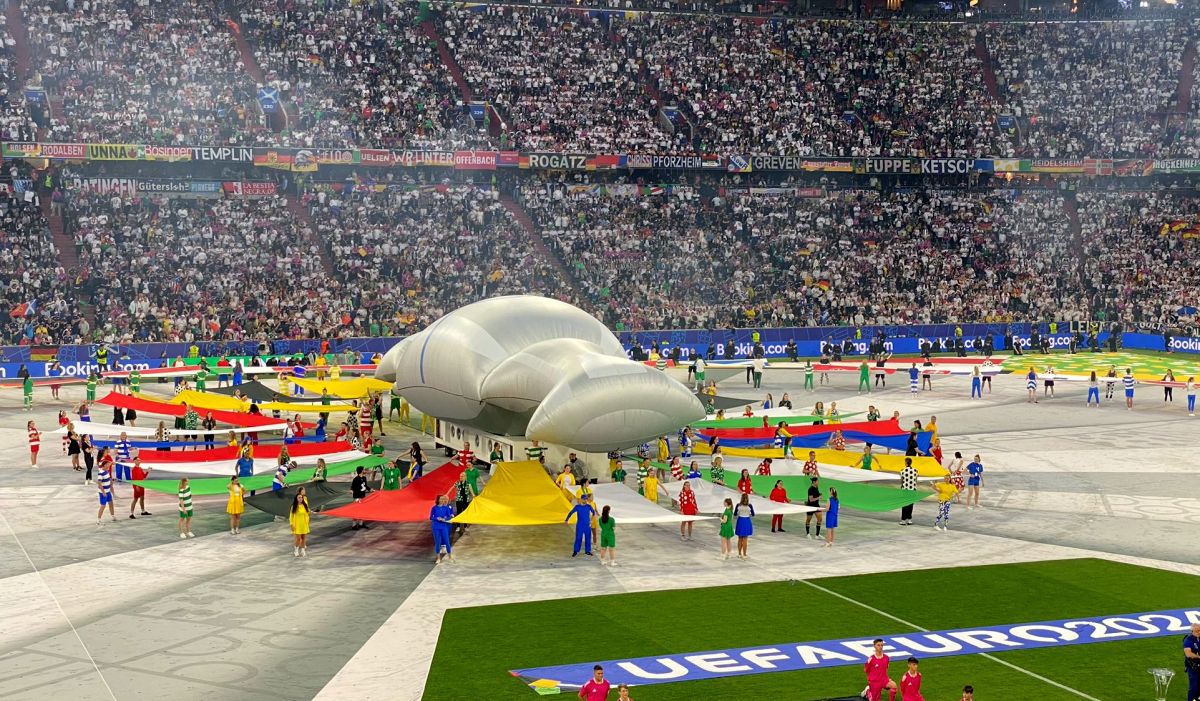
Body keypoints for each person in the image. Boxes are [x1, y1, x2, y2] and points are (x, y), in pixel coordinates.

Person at [566, 493, 596, 557]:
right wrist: (567, 519)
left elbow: (593, 512)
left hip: (587, 525)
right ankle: (576, 551)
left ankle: (587, 551)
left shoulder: (589, 506)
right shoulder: (577, 507)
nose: (585, 500)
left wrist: (591, 520)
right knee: (578, 538)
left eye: (586, 499)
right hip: (580, 525)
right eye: (584, 499)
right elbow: (571, 513)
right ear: (581, 499)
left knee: (588, 538)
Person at [290, 487, 311, 557]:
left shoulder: (304, 506)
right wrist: (291, 524)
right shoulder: (294, 507)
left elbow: (307, 513)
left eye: (301, 497)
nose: (300, 499)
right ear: (296, 498)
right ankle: (296, 550)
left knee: (304, 538)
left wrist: (308, 519)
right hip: (297, 525)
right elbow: (291, 516)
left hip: (304, 524)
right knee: (298, 539)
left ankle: (302, 550)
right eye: (299, 497)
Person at [733, 493, 755, 560]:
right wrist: (748, 514)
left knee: (740, 538)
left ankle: (739, 554)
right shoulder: (750, 505)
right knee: (745, 539)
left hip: (740, 521)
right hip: (747, 521)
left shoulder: (738, 505)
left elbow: (735, 514)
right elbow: (753, 514)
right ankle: (744, 554)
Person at [96, 456, 117, 526]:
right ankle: (98, 520)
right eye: (108, 464)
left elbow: (110, 463)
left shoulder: (106, 470)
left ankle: (113, 516)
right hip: (103, 492)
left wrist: (111, 481)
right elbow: (99, 483)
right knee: (103, 505)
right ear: (105, 465)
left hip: (108, 491)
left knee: (111, 503)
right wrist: (104, 492)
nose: (109, 465)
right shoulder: (101, 473)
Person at [351, 466, 373, 530]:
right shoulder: (356, 479)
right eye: (363, 470)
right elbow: (353, 487)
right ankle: (354, 525)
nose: (365, 470)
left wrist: (370, 489)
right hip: (357, 497)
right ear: (361, 471)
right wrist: (356, 498)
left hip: (363, 496)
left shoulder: (364, 478)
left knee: (362, 510)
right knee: (355, 511)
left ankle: (361, 523)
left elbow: (365, 486)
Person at [898, 458, 918, 525]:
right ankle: (909, 519)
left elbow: (901, 480)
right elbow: (915, 480)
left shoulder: (902, 470)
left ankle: (903, 520)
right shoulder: (915, 470)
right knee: (910, 505)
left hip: (905, 489)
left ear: (906, 463)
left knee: (904, 504)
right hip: (913, 489)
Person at [1183, 622, 1200, 701]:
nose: (1199, 632)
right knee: (1194, 686)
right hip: (1193, 667)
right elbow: (1188, 654)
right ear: (1192, 631)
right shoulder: (1188, 640)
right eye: (1197, 631)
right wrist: (1199, 656)